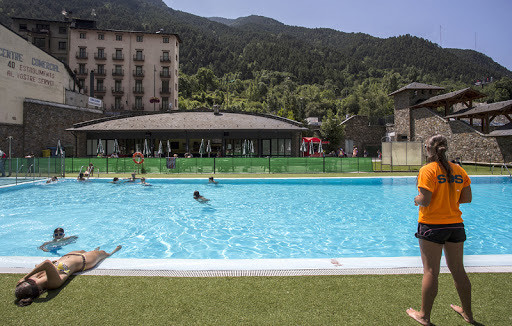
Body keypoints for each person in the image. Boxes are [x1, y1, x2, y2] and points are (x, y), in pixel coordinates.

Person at [407, 134, 474, 326]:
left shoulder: (427, 170)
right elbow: (466, 198)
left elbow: (425, 200)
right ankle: (468, 313)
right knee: (458, 270)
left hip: (432, 226)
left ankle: (424, 316)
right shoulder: (459, 169)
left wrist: (416, 199)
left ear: (428, 149)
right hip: (455, 225)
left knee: (430, 271)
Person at [15, 246, 122, 307]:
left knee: (87, 250)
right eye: (31, 282)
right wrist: (25, 277)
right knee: (104, 253)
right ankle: (113, 251)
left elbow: (40, 267)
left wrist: (27, 280)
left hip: (69, 256)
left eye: (29, 281)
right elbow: (47, 263)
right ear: (38, 290)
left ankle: (96, 250)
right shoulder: (53, 283)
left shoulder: (37, 279)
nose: (31, 280)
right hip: (85, 261)